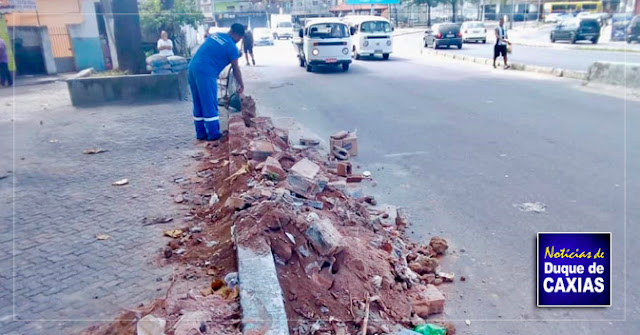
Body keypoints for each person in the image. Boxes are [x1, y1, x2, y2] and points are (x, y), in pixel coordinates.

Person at [188, 23, 245, 141]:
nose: (238, 41)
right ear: (237, 35)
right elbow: (236, 68)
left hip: (192, 68)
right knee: (209, 102)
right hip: (206, 71)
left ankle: (201, 133)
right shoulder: (231, 47)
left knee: (198, 101)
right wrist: (241, 84)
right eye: (239, 39)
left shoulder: (217, 35)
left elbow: (217, 50)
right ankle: (213, 133)